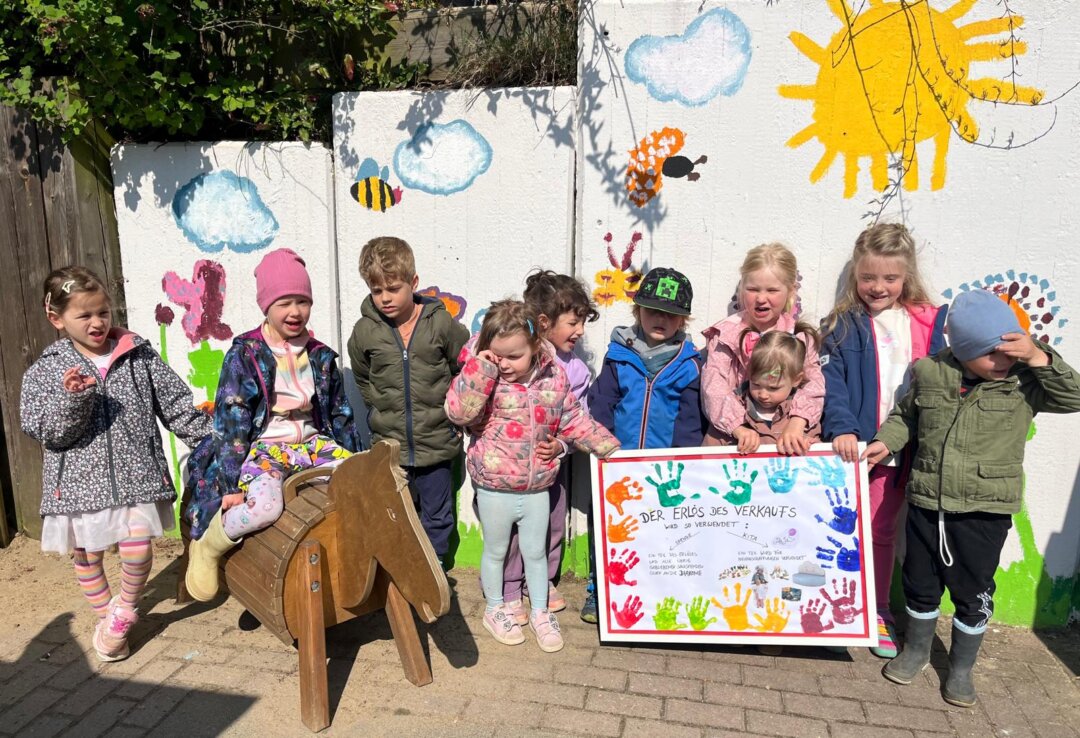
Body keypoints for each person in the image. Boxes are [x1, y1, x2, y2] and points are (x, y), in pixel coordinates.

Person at [864, 288, 1080, 707]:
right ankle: (916, 651)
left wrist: (1037, 355)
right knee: (920, 583)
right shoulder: (929, 372)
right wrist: (885, 442)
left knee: (973, 589)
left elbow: (1074, 397)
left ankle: (961, 669)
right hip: (928, 500)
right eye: (993, 354)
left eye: (1009, 352)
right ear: (963, 351)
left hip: (985, 511)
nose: (1003, 361)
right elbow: (906, 415)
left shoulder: (1025, 380)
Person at [21, 266, 211, 661]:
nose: (97, 322)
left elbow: (176, 406)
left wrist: (216, 440)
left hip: (136, 474)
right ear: (56, 318)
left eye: (103, 312)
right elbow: (45, 431)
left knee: (138, 546)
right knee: (87, 555)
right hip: (77, 482)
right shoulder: (49, 368)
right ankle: (107, 617)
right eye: (84, 315)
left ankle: (124, 611)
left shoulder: (137, 354)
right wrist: (73, 399)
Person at [184, 248, 363, 601]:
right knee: (265, 509)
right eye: (284, 302)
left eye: (302, 301)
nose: (294, 312)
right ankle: (208, 545)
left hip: (312, 444)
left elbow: (340, 413)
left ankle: (355, 566)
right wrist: (229, 482)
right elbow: (231, 419)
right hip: (266, 447)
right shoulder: (246, 354)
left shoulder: (320, 356)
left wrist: (356, 456)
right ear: (266, 305)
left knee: (359, 484)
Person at [445, 300, 619, 652]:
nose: (505, 364)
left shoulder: (553, 377)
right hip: (495, 487)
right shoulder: (483, 377)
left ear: (535, 347)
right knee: (495, 551)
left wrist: (607, 447)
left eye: (513, 356)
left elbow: (573, 418)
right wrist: (482, 369)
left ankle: (540, 612)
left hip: (539, 485)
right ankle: (495, 608)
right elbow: (459, 411)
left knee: (535, 553)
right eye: (497, 355)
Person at [820, 222, 947, 658]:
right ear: (856, 275)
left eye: (890, 278)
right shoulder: (841, 325)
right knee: (842, 528)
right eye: (868, 277)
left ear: (906, 276)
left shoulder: (929, 322)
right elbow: (830, 383)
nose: (878, 287)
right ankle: (842, 605)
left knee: (881, 530)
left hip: (903, 450)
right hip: (853, 449)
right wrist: (843, 429)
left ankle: (877, 608)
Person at [587, 267, 707, 621]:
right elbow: (602, 403)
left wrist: (679, 464)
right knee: (609, 526)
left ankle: (652, 590)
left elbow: (689, 419)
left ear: (683, 320)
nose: (660, 319)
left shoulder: (688, 363)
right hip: (617, 465)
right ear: (637, 311)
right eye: (653, 310)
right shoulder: (619, 354)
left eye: (671, 315)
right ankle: (599, 588)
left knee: (660, 531)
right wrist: (604, 445)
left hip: (662, 472)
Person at [347, 237, 469, 566]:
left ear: (413, 283)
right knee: (396, 515)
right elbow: (362, 376)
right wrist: (383, 409)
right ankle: (404, 572)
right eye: (376, 290)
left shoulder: (440, 324)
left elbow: (466, 367)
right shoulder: (365, 332)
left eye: (393, 288)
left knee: (437, 516)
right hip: (391, 448)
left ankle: (434, 571)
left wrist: (456, 416)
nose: (385, 298)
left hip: (437, 443)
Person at [496, 271, 599, 625]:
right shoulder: (517, 355)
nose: (580, 331)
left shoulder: (578, 371)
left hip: (550, 470)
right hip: (508, 470)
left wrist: (561, 445)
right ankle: (510, 588)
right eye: (573, 322)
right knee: (510, 530)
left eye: (583, 321)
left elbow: (579, 417)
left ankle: (542, 583)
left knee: (553, 524)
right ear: (544, 321)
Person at [701, 242, 823, 456]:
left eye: (772, 290)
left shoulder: (800, 335)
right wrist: (737, 426)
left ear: (790, 291)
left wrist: (797, 421)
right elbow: (714, 384)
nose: (761, 298)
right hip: (735, 439)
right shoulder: (726, 334)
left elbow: (814, 382)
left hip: (787, 436)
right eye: (752, 289)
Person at [707, 330, 822, 452]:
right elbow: (708, 457)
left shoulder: (803, 413)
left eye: (773, 388)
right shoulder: (732, 410)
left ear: (796, 380)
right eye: (756, 384)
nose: (763, 395)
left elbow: (821, 452)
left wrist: (810, 445)